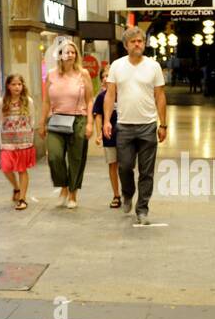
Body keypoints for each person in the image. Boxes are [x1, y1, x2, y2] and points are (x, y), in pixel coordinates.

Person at [104, 26, 167, 225]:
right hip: (124, 126)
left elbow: (160, 96)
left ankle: (142, 209)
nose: (137, 44)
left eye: (140, 41)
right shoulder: (117, 66)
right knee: (124, 167)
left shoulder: (153, 66)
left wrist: (163, 124)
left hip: (148, 125)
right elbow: (110, 94)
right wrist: (106, 120)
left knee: (146, 172)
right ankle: (128, 193)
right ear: (126, 45)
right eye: (133, 41)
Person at [38, 37, 93, 209]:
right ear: (59, 55)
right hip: (56, 120)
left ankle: (73, 193)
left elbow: (90, 100)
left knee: (76, 158)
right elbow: (46, 101)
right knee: (54, 157)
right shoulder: (52, 74)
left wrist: (90, 123)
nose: (70, 55)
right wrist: (42, 122)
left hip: (78, 119)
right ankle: (63, 186)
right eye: (66, 52)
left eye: (73, 52)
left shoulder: (83, 74)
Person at [0, 73, 35, 210]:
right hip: (7, 140)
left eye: (19, 84)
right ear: (8, 86)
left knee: (22, 169)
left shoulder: (28, 101)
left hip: (23, 140)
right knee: (6, 167)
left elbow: (32, 119)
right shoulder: (2, 101)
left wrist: (30, 136)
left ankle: (23, 199)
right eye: (13, 84)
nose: (17, 87)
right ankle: (16, 188)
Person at [92, 63, 122, 208]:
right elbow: (98, 116)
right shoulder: (101, 97)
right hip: (109, 135)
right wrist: (98, 134)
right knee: (112, 165)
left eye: (108, 76)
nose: (105, 79)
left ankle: (127, 192)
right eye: (103, 76)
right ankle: (116, 194)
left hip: (125, 135)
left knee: (126, 166)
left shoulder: (124, 94)